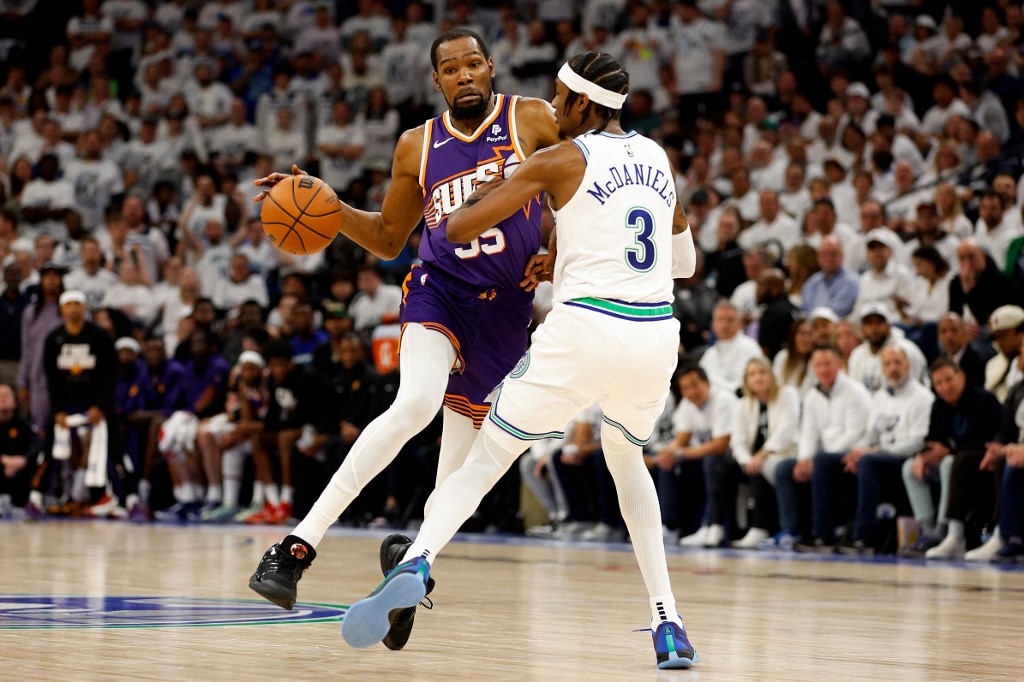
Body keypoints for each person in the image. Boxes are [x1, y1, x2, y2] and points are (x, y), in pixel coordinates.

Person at [340, 52, 701, 669]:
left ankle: (417, 560)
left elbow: (457, 229)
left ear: (583, 103)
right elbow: (685, 262)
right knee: (627, 462)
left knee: (486, 457)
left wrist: (490, 191)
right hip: (653, 337)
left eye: (560, 97)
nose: (553, 108)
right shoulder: (657, 158)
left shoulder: (557, 158)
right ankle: (668, 622)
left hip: (584, 330)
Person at [248, 28, 562, 652]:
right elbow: (390, 238)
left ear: (491, 68)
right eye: (451, 68)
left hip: (506, 313)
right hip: (438, 292)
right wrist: (327, 206)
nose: (464, 75)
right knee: (416, 403)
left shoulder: (531, 119)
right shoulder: (417, 144)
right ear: (436, 80)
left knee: (462, 473)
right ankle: (295, 546)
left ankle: (411, 566)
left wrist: (557, 250)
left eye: (473, 64)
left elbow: (581, 190)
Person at [730, 356, 800, 548]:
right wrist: (747, 460)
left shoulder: (787, 394)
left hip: (786, 454)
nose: (758, 377)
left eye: (762, 372)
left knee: (763, 467)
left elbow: (787, 430)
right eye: (752, 374)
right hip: (756, 459)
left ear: (771, 374)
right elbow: (738, 442)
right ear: (746, 380)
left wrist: (762, 454)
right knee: (723, 466)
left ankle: (761, 527)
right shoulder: (743, 404)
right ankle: (726, 527)